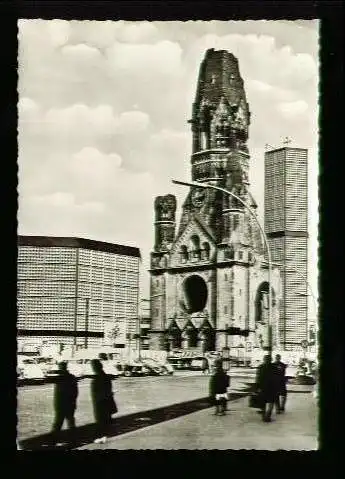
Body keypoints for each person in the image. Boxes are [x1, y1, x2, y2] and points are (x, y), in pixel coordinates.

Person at [50, 361, 78, 445]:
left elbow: (57, 393)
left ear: (60, 368)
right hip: (70, 404)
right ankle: (72, 440)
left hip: (60, 405)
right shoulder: (72, 377)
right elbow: (75, 392)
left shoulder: (59, 378)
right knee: (71, 423)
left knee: (58, 423)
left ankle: (54, 440)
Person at [90, 359, 117, 444]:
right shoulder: (106, 377)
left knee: (100, 420)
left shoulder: (96, 379)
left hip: (99, 403)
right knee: (105, 420)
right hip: (107, 401)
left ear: (95, 367)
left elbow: (95, 393)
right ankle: (104, 436)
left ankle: (99, 437)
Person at [255, 354, 277, 422]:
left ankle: (264, 416)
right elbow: (277, 378)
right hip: (272, 387)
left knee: (263, 402)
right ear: (271, 360)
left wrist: (257, 387)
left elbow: (257, 378)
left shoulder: (260, 367)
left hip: (263, 387)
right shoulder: (274, 367)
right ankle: (268, 415)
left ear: (264, 359)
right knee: (271, 402)